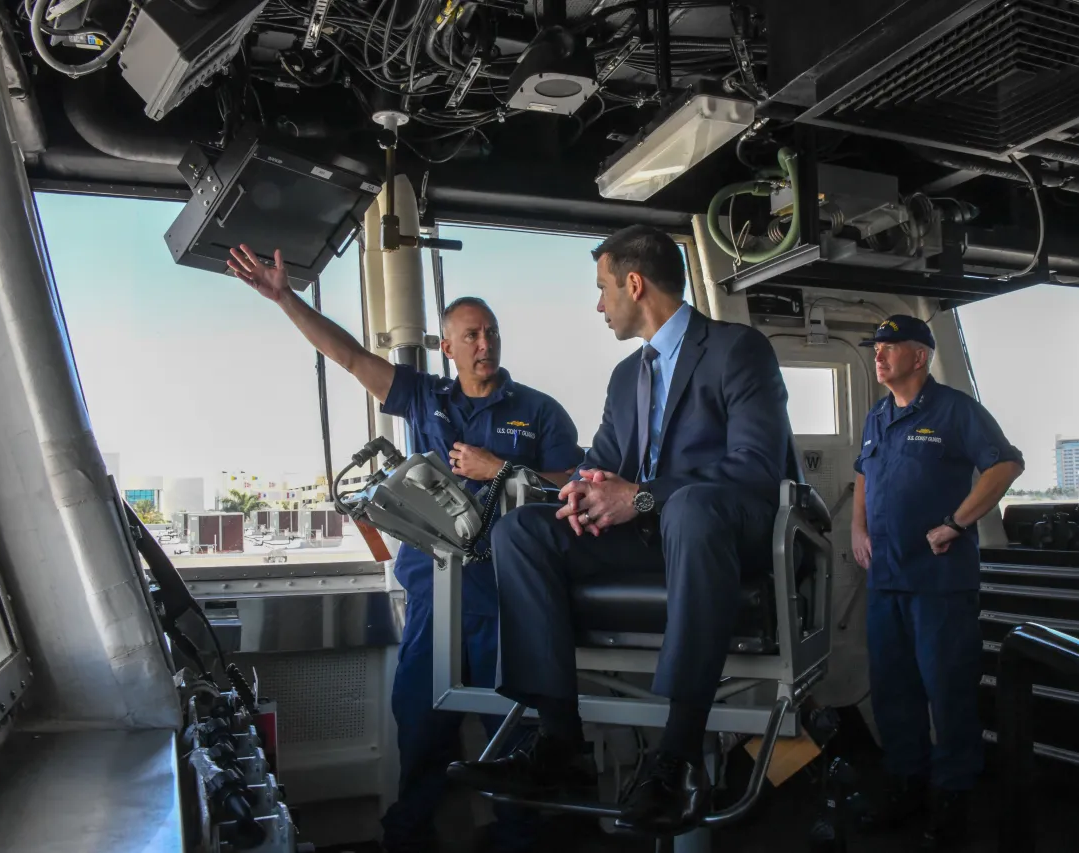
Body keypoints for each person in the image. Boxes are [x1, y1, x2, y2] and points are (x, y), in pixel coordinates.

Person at [225, 245, 585, 853]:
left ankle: (521, 838)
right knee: (420, 726)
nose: (485, 343)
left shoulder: (539, 412)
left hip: (509, 600)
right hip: (433, 594)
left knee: (514, 734)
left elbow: (576, 489)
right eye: (470, 334)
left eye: (491, 332)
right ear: (448, 347)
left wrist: (501, 467)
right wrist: (285, 296)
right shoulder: (425, 398)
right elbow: (348, 356)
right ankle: (406, 838)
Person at [445, 224, 795, 836]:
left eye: (603, 288)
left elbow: (756, 469)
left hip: (722, 534)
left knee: (691, 508)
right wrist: (581, 488)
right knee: (522, 532)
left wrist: (641, 496)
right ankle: (560, 746)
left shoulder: (739, 350)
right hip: (649, 537)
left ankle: (677, 755)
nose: (598, 304)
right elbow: (598, 462)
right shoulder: (623, 377)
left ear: (634, 284)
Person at [849, 314, 1023, 849]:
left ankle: (953, 800)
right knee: (894, 695)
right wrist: (857, 527)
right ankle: (906, 788)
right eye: (875, 347)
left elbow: (1006, 465)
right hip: (887, 583)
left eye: (889, 346)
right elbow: (863, 473)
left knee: (948, 695)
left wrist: (955, 523)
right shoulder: (878, 415)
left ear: (920, 355)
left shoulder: (954, 409)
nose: (878, 355)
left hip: (940, 585)